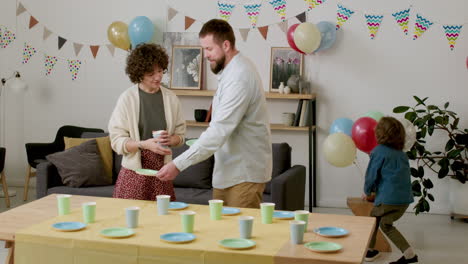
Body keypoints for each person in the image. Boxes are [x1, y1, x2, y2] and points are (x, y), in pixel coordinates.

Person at [157, 19, 272, 209]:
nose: (205, 55)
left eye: (209, 49)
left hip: (244, 173)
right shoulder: (229, 73)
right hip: (228, 172)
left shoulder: (239, 77)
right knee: (221, 232)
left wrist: (177, 164)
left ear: (226, 45)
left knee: (238, 234)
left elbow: (218, 131)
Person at [108, 43, 186, 201]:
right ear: (139, 73)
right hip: (134, 173)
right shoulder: (127, 99)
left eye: (160, 71)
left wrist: (172, 139)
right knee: (131, 222)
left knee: (163, 222)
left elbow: (181, 136)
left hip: (162, 173)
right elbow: (116, 141)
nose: (158, 77)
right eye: (151, 73)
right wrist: (144, 144)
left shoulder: (171, 98)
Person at [363, 117, 418, 264]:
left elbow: (371, 175)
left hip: (388, 199)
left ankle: (371, 250)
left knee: (377, 222)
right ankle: (406, 253)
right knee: (381, 221)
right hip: (404, 200)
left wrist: (368, 191)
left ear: (379, 134)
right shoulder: (401, 154)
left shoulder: (378, 151)